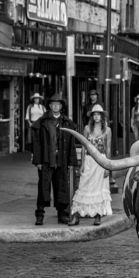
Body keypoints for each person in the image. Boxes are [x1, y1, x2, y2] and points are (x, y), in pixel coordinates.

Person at [32, 93, 75, 226]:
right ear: (49, 106)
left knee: (61, 187)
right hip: (46, 160)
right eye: (53, 104)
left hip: (61, 160)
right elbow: (37, 143)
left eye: (58, 104)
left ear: (61, 106)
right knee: (43, 188)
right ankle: (40, 215)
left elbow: (71, 144)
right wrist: (38, 161)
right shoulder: (42, 122)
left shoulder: (67, 123)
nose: (55, 106)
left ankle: (62, 215)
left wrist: (71, 162)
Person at [69, 104, 112, 226]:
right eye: (95, 114)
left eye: (99, 114)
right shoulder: (87, 129)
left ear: (102, 116)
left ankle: (98, 215)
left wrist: (108, 166)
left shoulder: (107, 130)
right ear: (92, 117)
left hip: (101, 161)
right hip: (89, 160)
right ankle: (76, 215)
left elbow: (108, 148)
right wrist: (82, 163)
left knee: (99, 188)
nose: (97, 117)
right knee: (83, 186)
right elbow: (84, 146)